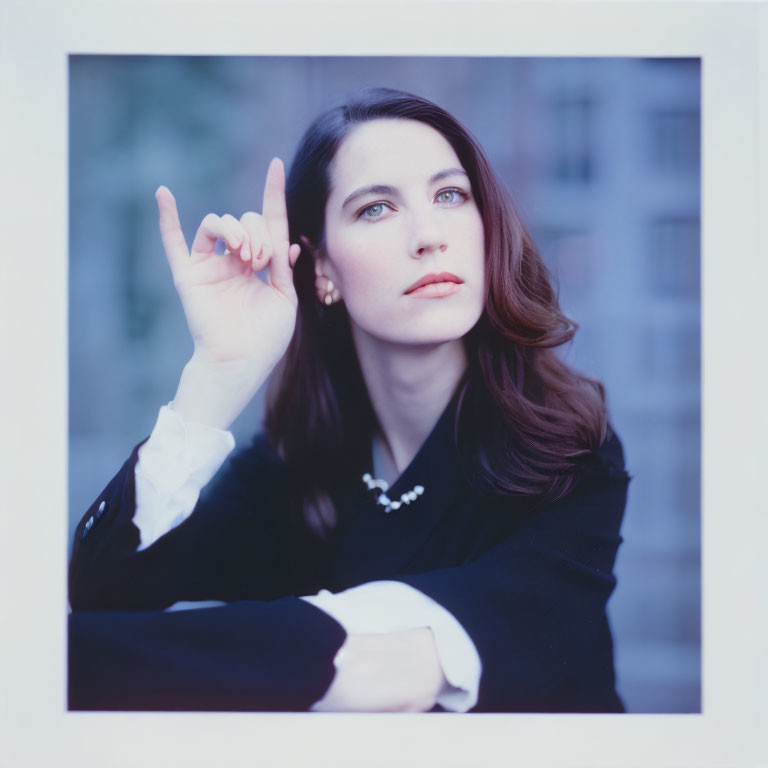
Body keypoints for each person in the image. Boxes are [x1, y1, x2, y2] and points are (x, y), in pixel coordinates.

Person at [68, 87, 630, 713]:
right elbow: (103, 593)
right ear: (321, 271)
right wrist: (216, 377)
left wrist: (56, 660)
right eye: (376, 209)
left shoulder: (569, 452)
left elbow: (381, 669)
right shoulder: (299, 466)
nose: (428, 235)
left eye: (450, 195)